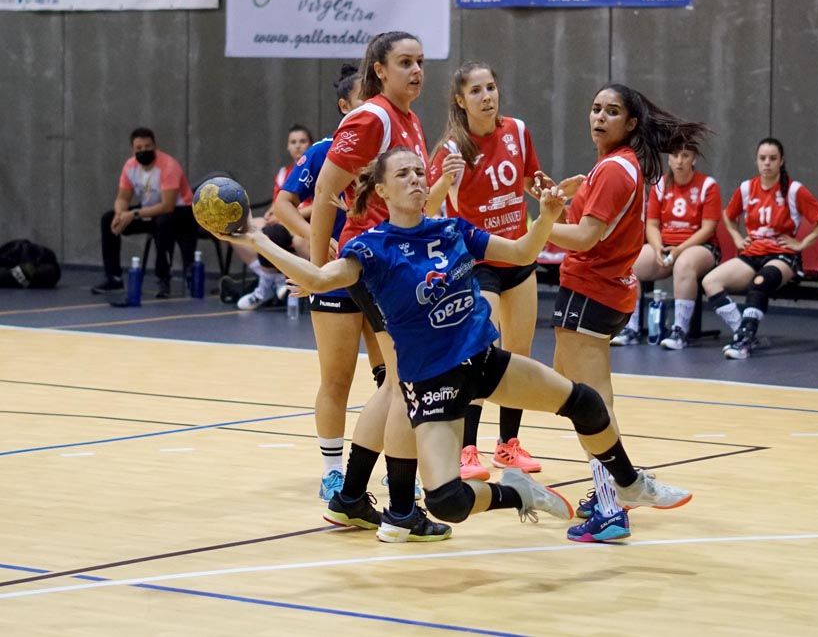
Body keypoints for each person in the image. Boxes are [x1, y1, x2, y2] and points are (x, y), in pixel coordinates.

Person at [213, 146, 694, 540]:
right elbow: (319, 278)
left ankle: (629, 483)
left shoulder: (453, 230)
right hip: (431, 388)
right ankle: (519, 494)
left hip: (484, 361)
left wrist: (546, 216)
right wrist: (257, 238)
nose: (418, 179)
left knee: (586, 403)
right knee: (447, 501)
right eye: (404, 173)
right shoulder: (372, 248)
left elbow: (523, 252)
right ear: (381, 189)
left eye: (421, 171)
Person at [308, 32, 458, 543]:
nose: (417, 70)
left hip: (397, 260)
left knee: (396, 383)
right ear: (379, 70)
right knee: (405, 383)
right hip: (376, 262)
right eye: (405, 62)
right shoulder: (370, 117)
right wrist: (314, 273)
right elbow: (326, 190)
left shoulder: (409, 118)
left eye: (421, 62)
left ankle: (351, 498)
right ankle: (398, 509)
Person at [546, 84, 706, 542]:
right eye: (595, 108)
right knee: (580, 392)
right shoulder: (618, 166)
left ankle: (615, 501)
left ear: (631, 123)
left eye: (611, 111)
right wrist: (558, 201)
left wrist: (535, 227)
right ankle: (614, 488)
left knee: (588, 405)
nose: (599, 117)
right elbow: (587, 224)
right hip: (606, 292)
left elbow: (584, 238)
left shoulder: (616, 169)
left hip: (590, 292)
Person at [428, 61, 552, 481]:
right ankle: (466, 450)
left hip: (517, 257)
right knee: (481, 353)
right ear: (460, 101)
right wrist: (445, 183)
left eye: (491, 87)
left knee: (520, 353)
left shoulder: (516, 130)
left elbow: (531, 179)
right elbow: (425, 209)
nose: (487, 96)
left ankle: (508, 446)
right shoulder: (450, 149)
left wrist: (547, 191)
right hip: (477, 263)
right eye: (476, 90)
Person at [271, 65, 374, 501]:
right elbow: (283, 203)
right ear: (345, 107)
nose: (375, 106)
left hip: (384, 273)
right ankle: (333, 471)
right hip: (337, 276)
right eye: (364, 99)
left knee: (395, 378)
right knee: (337, 379)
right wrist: (318, 244)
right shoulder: (324, 152)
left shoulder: (395, 149)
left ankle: (396, 465)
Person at [702, 137, 818, 360]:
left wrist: (801, 244)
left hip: (783, 256)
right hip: (752, 253)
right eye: (762, 158)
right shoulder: (746, 188)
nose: (767, 163)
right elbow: (728, 215)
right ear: (756, 160)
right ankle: (744, 331)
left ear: (781, 161)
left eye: (772, 158)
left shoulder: (793, 190)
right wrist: (736, 237)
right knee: (710, 281)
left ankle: (743, 342)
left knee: (760, 283)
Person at [610, 147, 722, 349]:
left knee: (684, 265)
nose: (679, 161)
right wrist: (657, 247)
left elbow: (708, 228)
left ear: (694, 159)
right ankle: (630, 328)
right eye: (675, 156)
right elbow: (651, 224)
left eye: (685, 156)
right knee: (630, 263)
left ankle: (680, 331)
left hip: (700, 246)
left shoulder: (707, 185)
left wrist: (679, 250)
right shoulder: (661, 184)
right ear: (669, 159)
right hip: (665, 245)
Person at [92, 127, 197, 299]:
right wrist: (120, 214)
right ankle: (113, 277)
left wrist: (133, 215)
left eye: (148, 146)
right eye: (139, 148)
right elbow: (123, 198)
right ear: (132, 150)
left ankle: (163, 278)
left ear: (155, 146)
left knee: (163, 222)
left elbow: (168, 206)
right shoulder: (130, 167)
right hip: (151, 210)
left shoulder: (168, 166)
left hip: (182, 212)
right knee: (108, 219)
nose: (144, 151)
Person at [234, 124, 314, 310]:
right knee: (241, 229)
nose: (297, 146)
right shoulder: (283, 173)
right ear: (287, 147)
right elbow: (279, 200)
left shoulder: (317, 169)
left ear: (311, 145)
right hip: (284, 219)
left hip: (304, 221)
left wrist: (285, 216)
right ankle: (272, 279)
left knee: (276, 234)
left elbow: (318, 205)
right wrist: (272, 211)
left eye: (302, 141)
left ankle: (268, 285)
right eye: (293, 142)